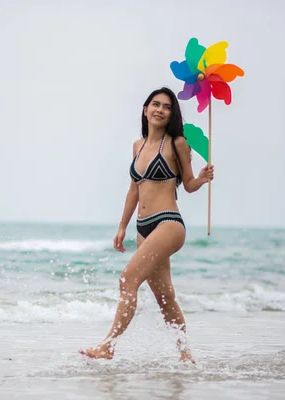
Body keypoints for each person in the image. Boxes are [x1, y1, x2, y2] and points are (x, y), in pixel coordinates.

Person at [78, 87, 214, 362]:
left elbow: (187, 185)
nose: (160, 110)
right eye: (155, 104)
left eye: (166, 107)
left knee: (127, 278)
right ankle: (186, 354)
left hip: (168, 223)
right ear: (145, 109)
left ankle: (108, 346)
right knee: (165, 297)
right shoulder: (137, 146)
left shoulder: (178, 143)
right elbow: (134, 189)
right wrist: (122, 227)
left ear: (171, 114)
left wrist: (201, 178)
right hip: (143, 228)